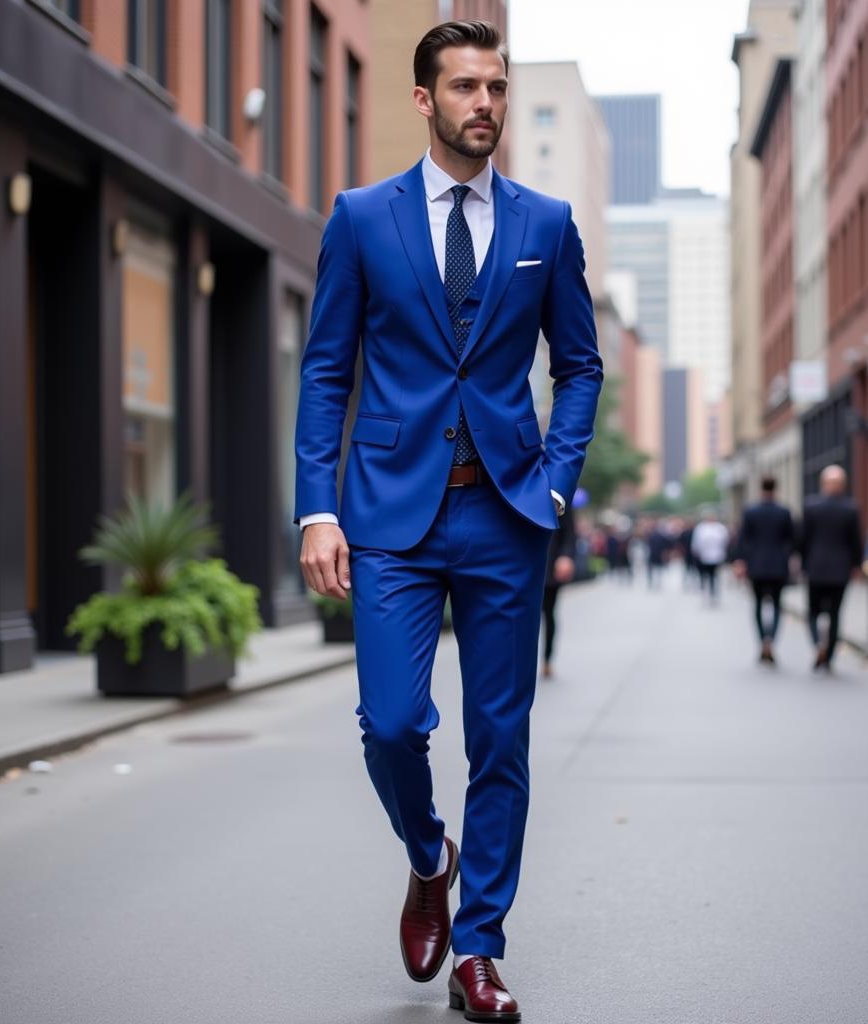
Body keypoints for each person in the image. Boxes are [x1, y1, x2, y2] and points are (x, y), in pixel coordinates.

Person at [294, 20, 602, 1022]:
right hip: (389, 514)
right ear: (424, 100)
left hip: (506, 513)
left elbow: (580, 364)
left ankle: (480, 951)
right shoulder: (361, 217)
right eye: (466, 87)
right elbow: (327, 369)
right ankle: (430, 853)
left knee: (499, 740)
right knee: (389, 723)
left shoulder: (545, 224)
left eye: (498, 87)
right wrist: (317, 507)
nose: (486, 104)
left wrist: (555, 482)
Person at [798, 465, 863, 671]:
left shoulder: (811, 506)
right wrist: (856, 565)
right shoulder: (851, 508)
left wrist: (803, 563)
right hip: (840, 570)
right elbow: (855, 542)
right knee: (835, 613)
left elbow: (802, 540)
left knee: (813, 612)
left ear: (824, 484)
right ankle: (830, 656)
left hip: (816, 568)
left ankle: (818, 645)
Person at [734, 476, 795, 664]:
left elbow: (743, 539)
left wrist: (740, 562)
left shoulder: (751, 512)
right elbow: (791, 539)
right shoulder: (784, 512)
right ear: (776, 489)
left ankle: (763, 641)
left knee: (759, 605)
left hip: (756, 566)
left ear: (760, 489)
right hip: (778, 566)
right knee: (776, 605)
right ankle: (771, 640)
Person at [541, 502, 577, 679]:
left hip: (550, 568)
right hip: (521, 568)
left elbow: (570, 533)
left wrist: (566, 557)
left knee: (549, 614)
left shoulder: (557, 489)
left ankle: (547, 659)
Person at [690, 509, 730, 603]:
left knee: (714, 576)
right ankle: (706, 592)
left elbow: (725, 541)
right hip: (704, 556)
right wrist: (697, 552)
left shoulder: (720, 528)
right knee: (705, 575)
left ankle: (714, 593)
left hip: (716, 556)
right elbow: (696, 542)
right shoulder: (701, 528)